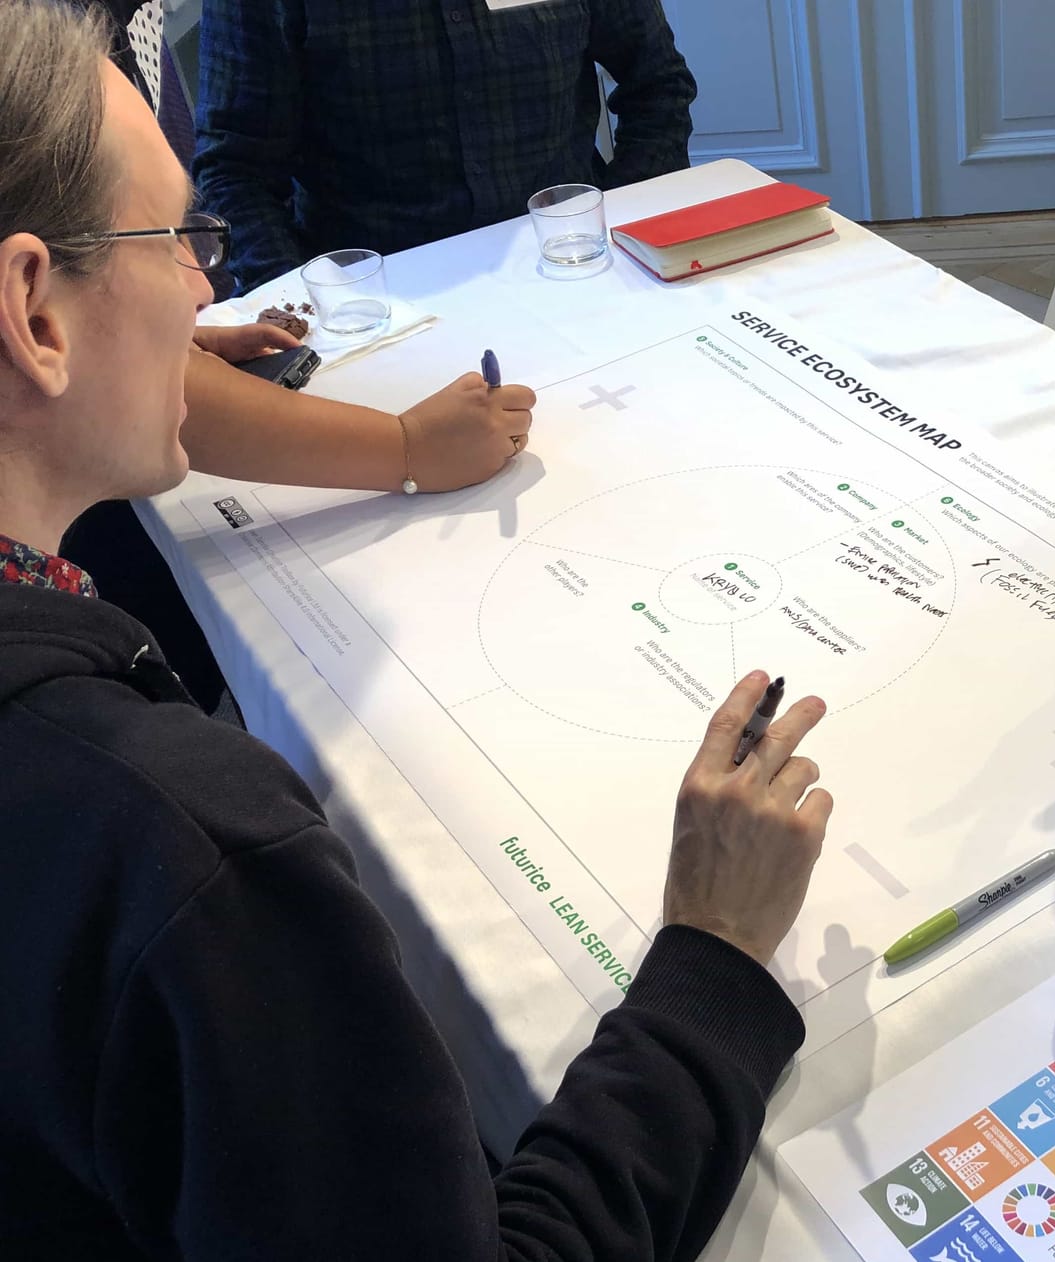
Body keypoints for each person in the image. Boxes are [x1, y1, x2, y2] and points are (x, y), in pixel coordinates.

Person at [0, 5, 830, 1256]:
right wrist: (713, 961)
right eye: (173, 242)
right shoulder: (189, 844)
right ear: (36, 314)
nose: (205, 281)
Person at [62, 0, 543, 713]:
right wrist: (406, 450)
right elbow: (82, 335)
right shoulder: (41, 57)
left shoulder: (116, 24)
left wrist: (173, 332)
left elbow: (83, 279)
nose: (202, 286)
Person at [194, 0, 697, 292]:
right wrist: (304, 315)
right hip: (383, 302)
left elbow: (657, 86)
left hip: (577, 268)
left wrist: (636, 226)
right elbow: (237, 170)